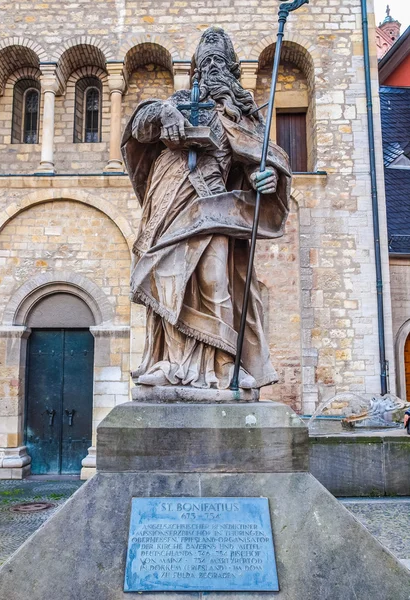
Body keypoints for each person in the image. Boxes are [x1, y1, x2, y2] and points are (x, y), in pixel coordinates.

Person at [122, 27, 292, 390]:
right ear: (197, 67)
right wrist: (166, 111)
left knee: (215, 280)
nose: (213, 66)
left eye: (220, 60)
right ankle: (168, 362)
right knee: (167, 280)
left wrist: (266, 179)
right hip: (166, 204)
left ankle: (225, 364)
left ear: (230, 68)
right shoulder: (179, 100)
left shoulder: (241, 115)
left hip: (212, 205)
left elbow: (260, 163)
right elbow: (139, 125)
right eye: (207, 59)